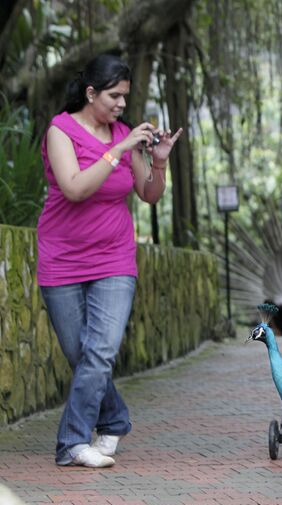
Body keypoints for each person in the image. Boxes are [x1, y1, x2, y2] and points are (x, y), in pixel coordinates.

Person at [37, 54, 183, 467]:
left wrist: (159, 159)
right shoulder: (60, 131)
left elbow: (149, 194)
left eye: (125, 97)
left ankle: (73, 442)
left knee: (99, 351)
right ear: (90, 93)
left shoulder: (124, 135)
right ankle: (114, 419)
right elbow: (74, 189)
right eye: (114, 96)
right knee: (79, 353)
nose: (121, 104)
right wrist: (117, 148)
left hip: (115, 257)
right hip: (61, 257)